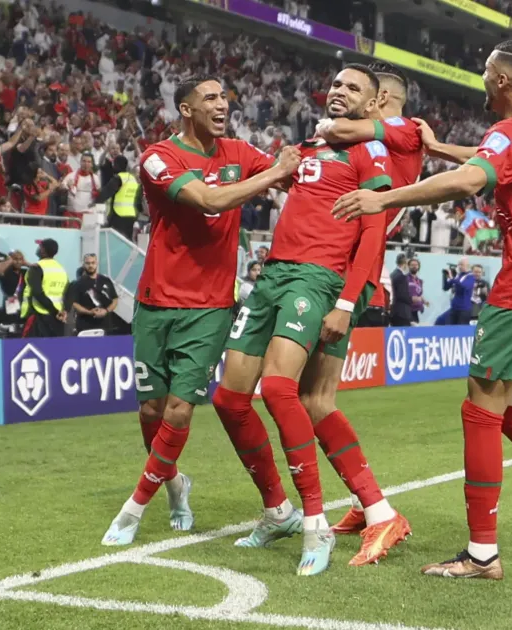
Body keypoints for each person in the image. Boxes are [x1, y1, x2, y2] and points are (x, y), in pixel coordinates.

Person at [332, 40, 512, 579]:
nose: (481, 79)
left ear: (503, 82)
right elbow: (495, 164)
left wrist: (386, 198)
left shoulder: (510, 131)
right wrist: (441, 148)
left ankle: (482, 554)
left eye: (485, 71)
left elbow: (476, 178)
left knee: (481, 409)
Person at [100, 75, 301, 548]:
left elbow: (295, 173)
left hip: (210, 307)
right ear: (186, 110)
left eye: (224, 96)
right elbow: (209, 202)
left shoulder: (238, 152)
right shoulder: (158, 158)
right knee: (151, 409)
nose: (221, 103)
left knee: (179, 409)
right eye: (209, 98)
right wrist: (273, 174)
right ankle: (174, 484)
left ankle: (132, 510)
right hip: (154, 303)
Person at [211, 64, 392, 577]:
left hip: (318, 281)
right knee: (228, 398)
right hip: (272, 276)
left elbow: (374, 233)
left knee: (279, 389)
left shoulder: (368, 152)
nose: (340, 92)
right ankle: (277, 512)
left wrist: (347, 301)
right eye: (336, 84)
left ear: (372, 105)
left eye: (353, 88)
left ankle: (316, 522)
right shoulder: (307, 148)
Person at [298, 61, 422, 566]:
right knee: (310, 396)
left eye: (367, 96)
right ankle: (366, 501)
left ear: (383, 102)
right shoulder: (389, 144)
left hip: (347, 272)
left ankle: (379, 509)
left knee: (315, 398)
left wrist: (330, 128)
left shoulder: (401, 136)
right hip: (344, 266)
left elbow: (340, 127)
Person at [21, 238, 69, 338]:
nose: (38, 248)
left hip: (38, 316)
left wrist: (54, 311)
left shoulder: (37, 268)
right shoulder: (61, 269)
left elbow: (38, 293)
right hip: (57, 318)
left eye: (40, 246)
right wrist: (61, 311)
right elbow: (67, 292)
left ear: (42, 250)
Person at [92, 155, 140, 240]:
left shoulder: (119, 178)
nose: (113, 166)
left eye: (114, 164)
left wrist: (94, 202)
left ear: (117, 165)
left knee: (116, 240)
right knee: (127, 241)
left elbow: (106, 192)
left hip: (119, 214)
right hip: (131, 215)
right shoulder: (132, 179)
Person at [71, 254, 118, 334]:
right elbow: (74, 303)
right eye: (88, 263)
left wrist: (106, 311)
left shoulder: (106, 280)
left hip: (105, 325)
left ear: (97, 263)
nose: (90, 265)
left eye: (93, 263)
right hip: (85, 326)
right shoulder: (77, 283)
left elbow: (115, 299)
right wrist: (89, 312)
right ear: (83, 265)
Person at [0, 250, 27, 331]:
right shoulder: (6, 273)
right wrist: (10, 260)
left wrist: (25, 263)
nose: (18, 261)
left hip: (23, 310)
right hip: (8, 310)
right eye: (16, 259)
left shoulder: (25, 272)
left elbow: (39, 271)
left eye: (20, 259)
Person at [442, 257, 476, 325]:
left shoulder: (471, 277)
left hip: (464, 309)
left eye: (462, 264)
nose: (459, 267)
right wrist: (445, 276)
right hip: (454, 307)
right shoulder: (458, 276)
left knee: (461, 330)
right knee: (449, 328)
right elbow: (446, 287)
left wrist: (452, 278)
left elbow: (464, 286)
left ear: (468, 266)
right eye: (459, 265)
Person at [388, 253, 414, 326]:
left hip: (394, 312)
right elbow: (403, 295)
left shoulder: (392, 274)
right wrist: (411, 299)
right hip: (402, 313)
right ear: (405, 263)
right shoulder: (401, 277)